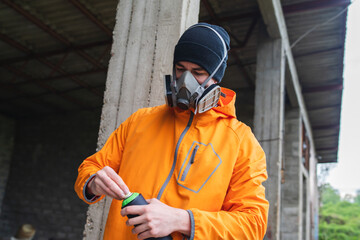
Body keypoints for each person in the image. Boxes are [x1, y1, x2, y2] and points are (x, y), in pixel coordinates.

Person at [75, 23, 269, 240]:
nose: (185, 80)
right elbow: (91, 167)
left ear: (217, 77)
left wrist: (182, 220)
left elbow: (253, 224)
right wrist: (93, 182)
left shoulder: (241, 141)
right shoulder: (140, 121)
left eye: (198, 72)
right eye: (180, 69)